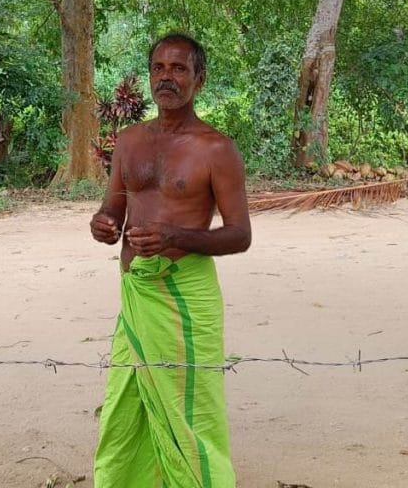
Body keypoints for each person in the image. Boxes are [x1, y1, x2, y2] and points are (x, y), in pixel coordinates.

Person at [89, 33, 252, 487]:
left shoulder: (216, 149)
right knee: (127, 406)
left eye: (179, 68)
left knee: (190, 412)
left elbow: (240, 235)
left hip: (185, 296)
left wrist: (173, 237)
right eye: (159, 68)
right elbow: (113, 207)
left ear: (199, 80)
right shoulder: (129, 141)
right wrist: (103, 224)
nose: (167, 77)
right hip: (137, 293)